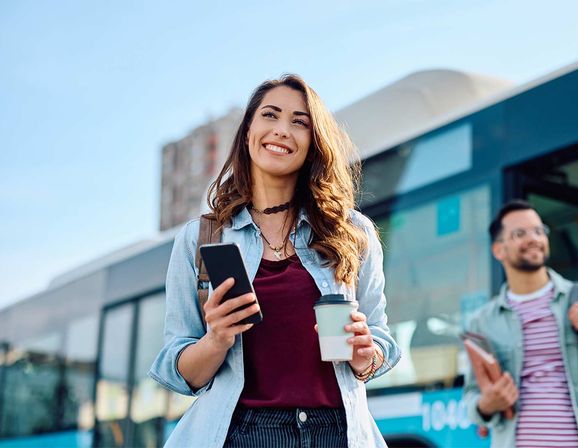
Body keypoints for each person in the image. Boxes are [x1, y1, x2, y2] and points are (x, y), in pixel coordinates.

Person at [149, 74, 400, 448]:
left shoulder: (353, 232)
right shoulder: (201, 237)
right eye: (270, 115)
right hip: (243, 433)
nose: (283, 130)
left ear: (313, 143)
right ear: (249, 131)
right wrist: (216, 338)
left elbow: (381, 341)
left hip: (339, 433)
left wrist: (367, 354)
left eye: (300, 122)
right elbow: (178, 370)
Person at [463, 200, 578, 448]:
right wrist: (487, 404)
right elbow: (472, 397)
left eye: (539, 231)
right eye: (520, 233)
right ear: (499, 250)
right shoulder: (482, 321)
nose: (533, 238)